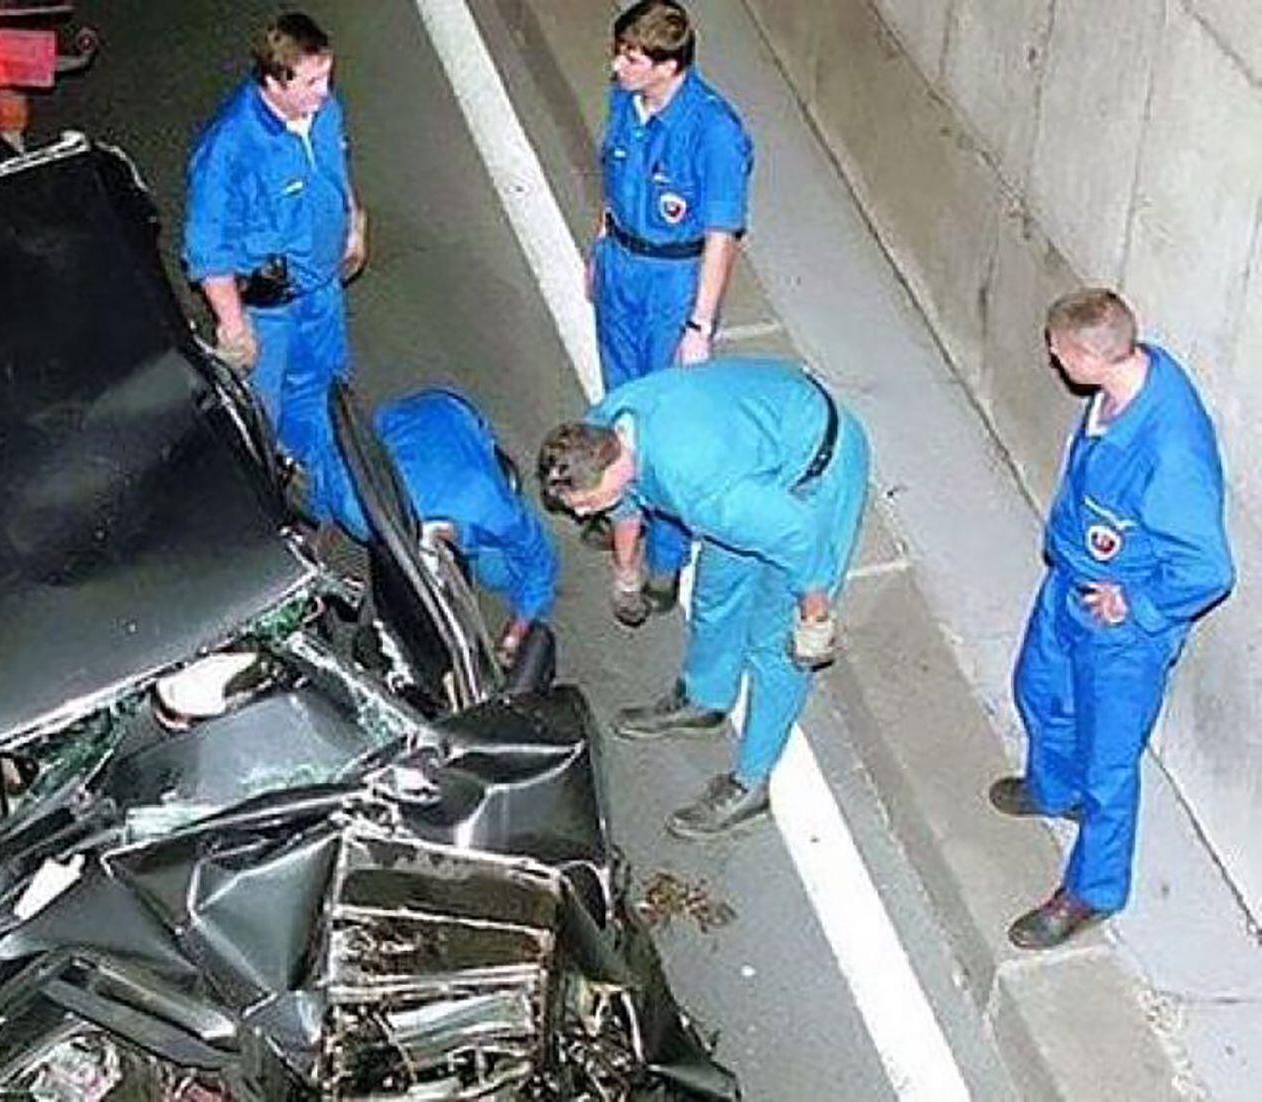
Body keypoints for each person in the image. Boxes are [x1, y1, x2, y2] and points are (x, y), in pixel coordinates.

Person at [536, 358, 868, 839]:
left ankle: (751, 783)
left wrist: (815, 617)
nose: (582, 512)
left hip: (812, 478)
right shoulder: (602, 428)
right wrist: (627, 572)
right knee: (715, 592)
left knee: (775, 646)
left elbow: (798, 536)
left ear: (617, 463)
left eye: (587, 502)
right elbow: (623, 501)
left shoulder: (698, 489)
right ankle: (704, 697)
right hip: (755, 449)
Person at [995, 289, 1233, 950]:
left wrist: (1140, 604)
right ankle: (1053, 785)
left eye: (1055, 348)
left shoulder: (1172, 451)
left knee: (1111, 760)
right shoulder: (1119, 385)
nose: (1049, 355)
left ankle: (1093, 889)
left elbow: (1209, 568)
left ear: (1086, 356)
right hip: (1071, 585)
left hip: (1122, 629)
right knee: (1039, 690)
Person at [586, 0, 753, 611]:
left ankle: (666, 555)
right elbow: (612, 179)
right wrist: (598, 247)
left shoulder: (713, 132)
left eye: (632, 58)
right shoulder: (624, 101)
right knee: (621, 406)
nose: (617, 65)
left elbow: (720, 236)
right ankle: (621, 520)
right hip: (622, 266)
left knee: (669, 423)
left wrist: (698, 325)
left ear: (668, 65)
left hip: (673, 279)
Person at [183, 10, 367, 505]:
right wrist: (234, 326)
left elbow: (335, 165)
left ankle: (325, 474)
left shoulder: (323, 111)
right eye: (310, 81)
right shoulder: (229, 151)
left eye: (326, 76)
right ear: (273, 81)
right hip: (269, 311)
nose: (324, 91)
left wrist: (353, 221)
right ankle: (264, 498)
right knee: (263, 411)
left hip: (321, 290)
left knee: (327, 388)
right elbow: (208, 251)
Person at [315, 388, 559, 665]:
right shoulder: (355, 507)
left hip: (450, 412)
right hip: (404, 418)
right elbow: (332, 464)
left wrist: (515, 635)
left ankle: (488, 457)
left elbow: (539, 561)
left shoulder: (489, 506)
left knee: (498, 574)